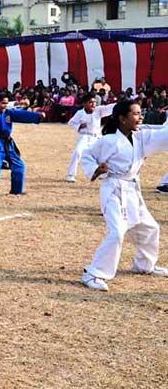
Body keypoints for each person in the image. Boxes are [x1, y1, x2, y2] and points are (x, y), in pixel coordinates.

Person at [80, 100, 168, 291]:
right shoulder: (109, 140)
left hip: (132, 190)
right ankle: (94, 273)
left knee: (150, 228)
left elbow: (164, 136)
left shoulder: (141, 139)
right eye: (135, 114)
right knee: (117, 231)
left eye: (140, 113)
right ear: (122, 118)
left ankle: (145, 265)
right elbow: (87, 155)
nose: (140, 117)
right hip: (114, 190)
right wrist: (96, 169)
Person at [0, 93, 43, 199]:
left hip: (9, 143)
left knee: (19, 165)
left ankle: (16, 190)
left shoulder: (9, 114)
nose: (5, 105)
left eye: (6, 103)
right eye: (2, 103)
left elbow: (22, 115)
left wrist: (37, 116)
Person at [66, 93, 115, 182]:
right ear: (84, 103)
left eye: (95, 102)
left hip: (96, 137)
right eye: (90, 102)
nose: (93, 104)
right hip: (84, 136)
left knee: (103, 155)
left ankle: (102, 174)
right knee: (77, 152)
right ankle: (70, 175)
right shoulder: (80, 113)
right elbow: (71, 123)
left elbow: (109, 108)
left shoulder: (98, 110)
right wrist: (79, 126)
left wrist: (120, 104)